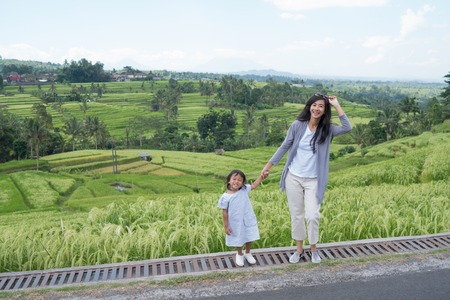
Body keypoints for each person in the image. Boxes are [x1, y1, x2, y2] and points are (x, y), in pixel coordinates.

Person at [261, 93, 352, 264]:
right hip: (293, 177)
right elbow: (285, 146)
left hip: (314, 180)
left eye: (321, 106)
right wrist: (268, 166)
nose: (316, 109)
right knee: (297, 215)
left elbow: (347, 127)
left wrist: (336, 105)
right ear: (309, 106)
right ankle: (299, 250)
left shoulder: (328, 129)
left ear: (325, 110)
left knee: (312, 215)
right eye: (314, 105)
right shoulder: (297, 125)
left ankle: (314, 249)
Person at [218, 169, 267, 267]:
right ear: (229, 180)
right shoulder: (225, 197)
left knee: (250, 235)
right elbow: (224, 212)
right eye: (234, 179)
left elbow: (254, 185)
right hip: (235, 222)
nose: (236, 181)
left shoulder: (244, 190)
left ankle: (248, 253)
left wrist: (261, 177)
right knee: (238, 237)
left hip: (248, 218)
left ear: (243, 183)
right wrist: (226, 226)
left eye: (239, 180)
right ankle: (239, 254)